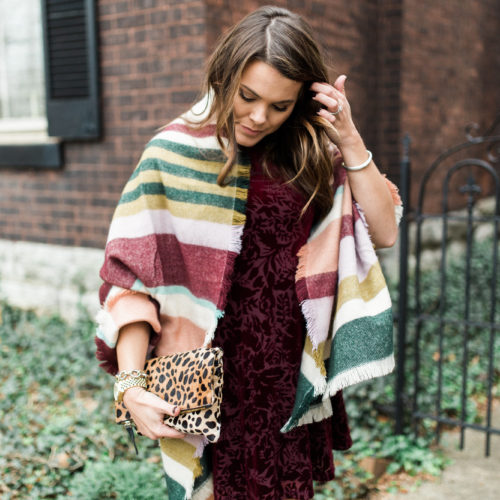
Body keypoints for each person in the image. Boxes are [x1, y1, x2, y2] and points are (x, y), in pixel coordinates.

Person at [96, 5, 402, 500]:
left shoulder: (309, 152)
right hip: (207, 375)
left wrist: (347, 138)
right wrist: (131, 385)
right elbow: (131, 280)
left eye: (280, 105)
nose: (260, 117)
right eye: (248, 96)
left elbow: (383, 231)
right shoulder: (171, 153)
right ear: (224, 76)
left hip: (287, 370)